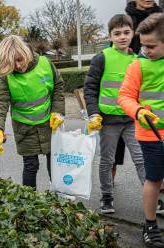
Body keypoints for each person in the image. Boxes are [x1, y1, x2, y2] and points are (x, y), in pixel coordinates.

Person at [84, 14, 145, 214]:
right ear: (110, 36)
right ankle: (107, 196)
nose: (122, 37)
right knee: (107, 160)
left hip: (131, 120)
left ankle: (154, 195)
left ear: (133, 33)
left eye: (126, 32)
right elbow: (90, 88)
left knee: (141, 159)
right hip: (108, 121)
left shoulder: (138, 60)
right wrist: (93, 113)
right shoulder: (101, 58)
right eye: (117, 33)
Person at [0, 35, 65, 190]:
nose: (17, 66)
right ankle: (29, 199)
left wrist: (57, 112)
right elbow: (0, 103)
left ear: (26, 52)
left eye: (19, 59)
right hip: (24, 128)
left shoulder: (45, 63)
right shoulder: (6, 77)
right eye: (12, 63)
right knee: (31, 165)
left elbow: (58, 87)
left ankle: (59, 195)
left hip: (49, 124)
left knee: (55, 162)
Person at [118, 13, 164, 247]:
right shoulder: (138, 66)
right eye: (143, 45)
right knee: (154, 180)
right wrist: (138, 112)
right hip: (150, 135)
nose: (145, 50)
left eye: (151, 46)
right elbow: (124, 96)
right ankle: (150, 223)